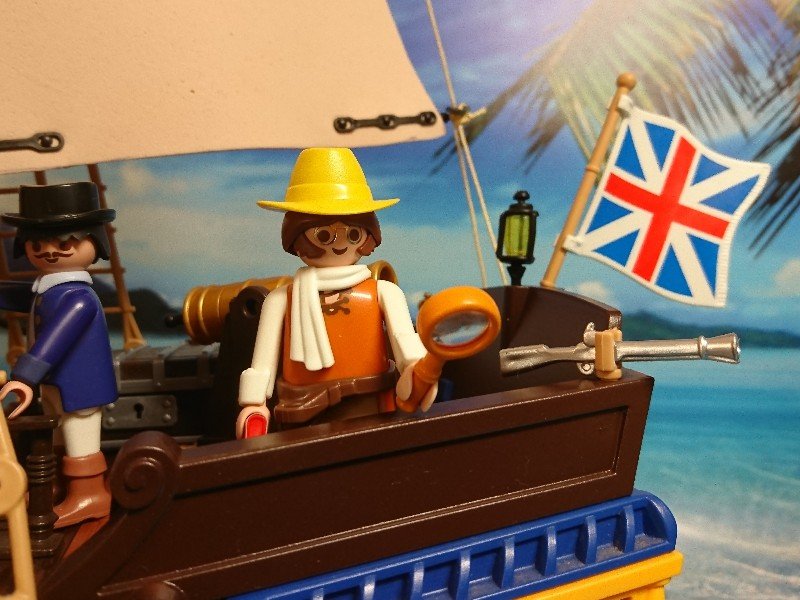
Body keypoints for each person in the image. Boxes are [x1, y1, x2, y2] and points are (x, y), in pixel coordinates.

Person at [236, 148, 436, 436]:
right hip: (303, 407)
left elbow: (404, 339)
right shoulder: (282, 299)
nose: (340, 243)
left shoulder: (383, 291)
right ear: (296, 234)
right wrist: (254, 404)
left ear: (368, 234)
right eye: (323, 235)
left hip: (371, 401)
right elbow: (262, 363)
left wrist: (416, 370)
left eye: (353, 233)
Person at [0, 181, 117, 528]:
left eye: (65, 243)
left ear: (95, 241)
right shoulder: (48, 289)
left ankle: (89, 494)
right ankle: (59, 487)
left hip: (81, 386)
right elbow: (24, 297)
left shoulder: (79, 298)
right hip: (56, 384)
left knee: (79, 434)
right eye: (38, 244)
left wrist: (25, 377)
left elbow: (56, 337)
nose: (50, 252)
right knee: (56, 433)